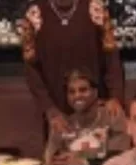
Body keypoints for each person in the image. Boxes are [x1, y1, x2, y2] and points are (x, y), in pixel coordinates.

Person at [19, 0, 125, 138]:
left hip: (98, 110)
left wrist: (115, 96)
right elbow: (31, 70)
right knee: (60, 151)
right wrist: (50, 110)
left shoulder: (95, 9)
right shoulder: (35, 15)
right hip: (58, 114)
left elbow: (111, 57)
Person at [43, 69, 130, 165]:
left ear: (95, 92)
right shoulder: (63, 122)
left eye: (83, 90)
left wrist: (83, 161)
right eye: (71, 92)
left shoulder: (111, 114)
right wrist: (56, 162)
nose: (77, 96)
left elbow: (121, 157)